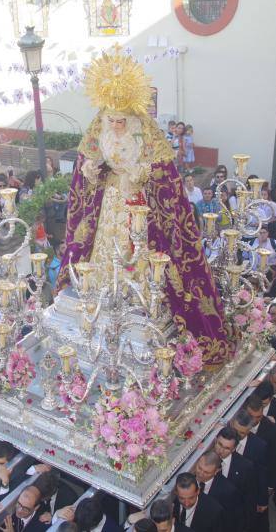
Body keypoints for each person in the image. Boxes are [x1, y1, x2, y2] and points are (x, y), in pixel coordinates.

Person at [56, 51, 229, 362]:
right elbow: (86, 168)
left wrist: (143, 173)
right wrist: (89, 172)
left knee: (133, 248)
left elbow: (165, 177)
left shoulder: (146, 134)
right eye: (111, 120)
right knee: (104, 246)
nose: (116, 125)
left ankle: (136, 293)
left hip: (137, 205)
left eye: (121, 120)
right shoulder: (99, 131)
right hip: (109, 202)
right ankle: (100, 290)